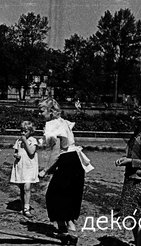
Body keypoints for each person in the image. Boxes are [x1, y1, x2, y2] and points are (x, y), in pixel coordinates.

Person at [37, 98, 91, 244]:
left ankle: (66, 230)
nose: (40, 113)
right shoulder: (63, 122)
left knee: (53, 194)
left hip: (67, 159)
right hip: (75, 160)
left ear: (51, 111)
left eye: (42, 110)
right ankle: (67, 230)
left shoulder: (52, 124)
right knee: (68, 194)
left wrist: (45, 170)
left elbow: (57, 151)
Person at [115, 105, 141, 246]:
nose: (131, 118)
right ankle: (138, 243)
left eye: (133, 115)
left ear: (140, 118)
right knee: (133, 215)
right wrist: (125, 159)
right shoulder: (137, 132)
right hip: (131, 179)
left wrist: (131, 161)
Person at [11, 121, 39, 218]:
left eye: (25, 131)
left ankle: (27, 208)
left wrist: (25, 141)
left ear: (31, 131)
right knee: (22, 188)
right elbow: (16, 152)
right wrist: (16, 155)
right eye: (22, 131)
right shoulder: (18, 141)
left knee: (27, 188)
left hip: (29, 167)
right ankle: (23, 206)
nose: (23, 133)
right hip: (21, 167)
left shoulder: (33, 140)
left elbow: (31, 152)